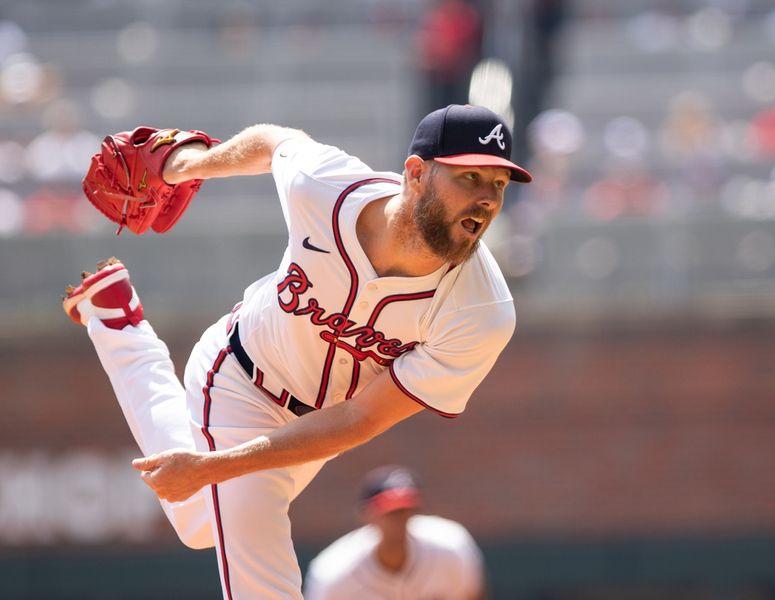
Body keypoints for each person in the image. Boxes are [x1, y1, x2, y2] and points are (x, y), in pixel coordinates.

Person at [62, 103, 531, 600]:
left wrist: (209, 469)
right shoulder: (328, 189)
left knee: (199, 523)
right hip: (240, 377)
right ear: (415, 174)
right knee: (261, 578)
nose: (485, 199)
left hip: (319, 427)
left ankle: (116, 318)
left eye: (498, 185)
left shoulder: (481, 311)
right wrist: (186, 165)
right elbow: (273, 142)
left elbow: (359, 420)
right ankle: (118, 322)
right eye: (471, 177)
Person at [303, 465, 487, 599]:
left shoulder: (450, 546)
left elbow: (472, 595)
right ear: (367, 515)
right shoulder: (334, 572)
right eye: (389, 511)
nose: (399, 518)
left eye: (405, 508)